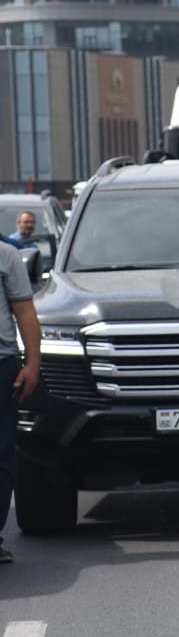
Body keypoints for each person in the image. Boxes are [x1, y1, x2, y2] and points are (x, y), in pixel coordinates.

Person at [0, 239, 42, 563]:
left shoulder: (6, 255)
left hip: (2, 366)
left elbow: (25, 312)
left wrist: (32, 363)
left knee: (1, 458)